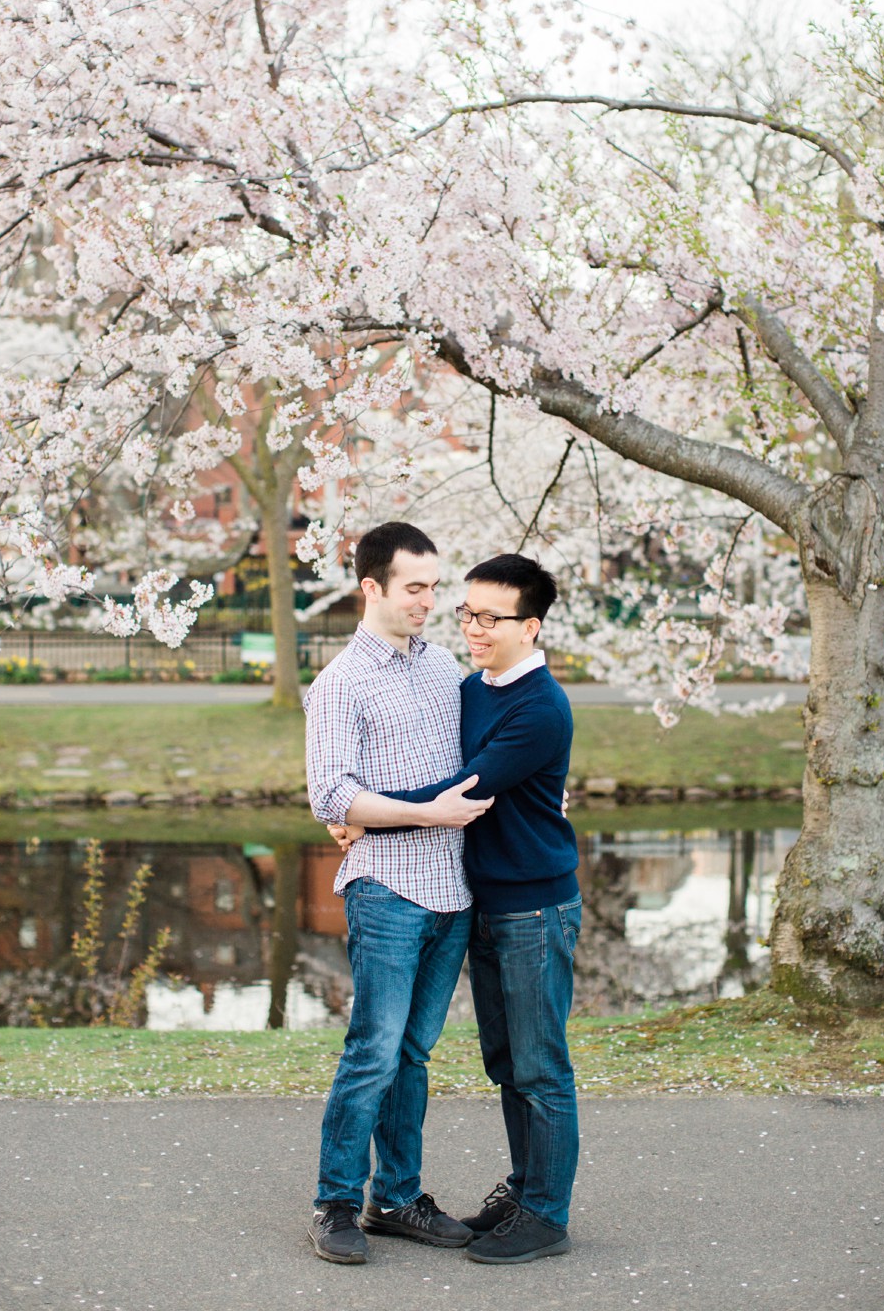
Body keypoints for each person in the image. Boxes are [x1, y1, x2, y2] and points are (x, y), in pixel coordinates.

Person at [369, 553, 579, 1264]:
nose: (473, 627)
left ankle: (546, 1214)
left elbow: (461, 791)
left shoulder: (539, 708)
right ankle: (524, 1190)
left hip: (532, 910)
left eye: (490, 618)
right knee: (506, 1061)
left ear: (532, 625)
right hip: (484, 903)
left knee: (540, 1066)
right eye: (467, 613)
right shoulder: (475, 688)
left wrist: (364, 817)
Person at [302, 521, 491, 1266]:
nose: (429, 600)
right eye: (415, 587)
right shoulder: (340, 684)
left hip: (454, 889)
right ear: (371, 587)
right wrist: (421, 813)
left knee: (413, 1052)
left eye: (434, 587)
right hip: (388, 890)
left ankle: (398, 1197)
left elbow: (485, 751)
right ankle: (335, 1203)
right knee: (373, 1052)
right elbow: (332, 795)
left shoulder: (444, 667)